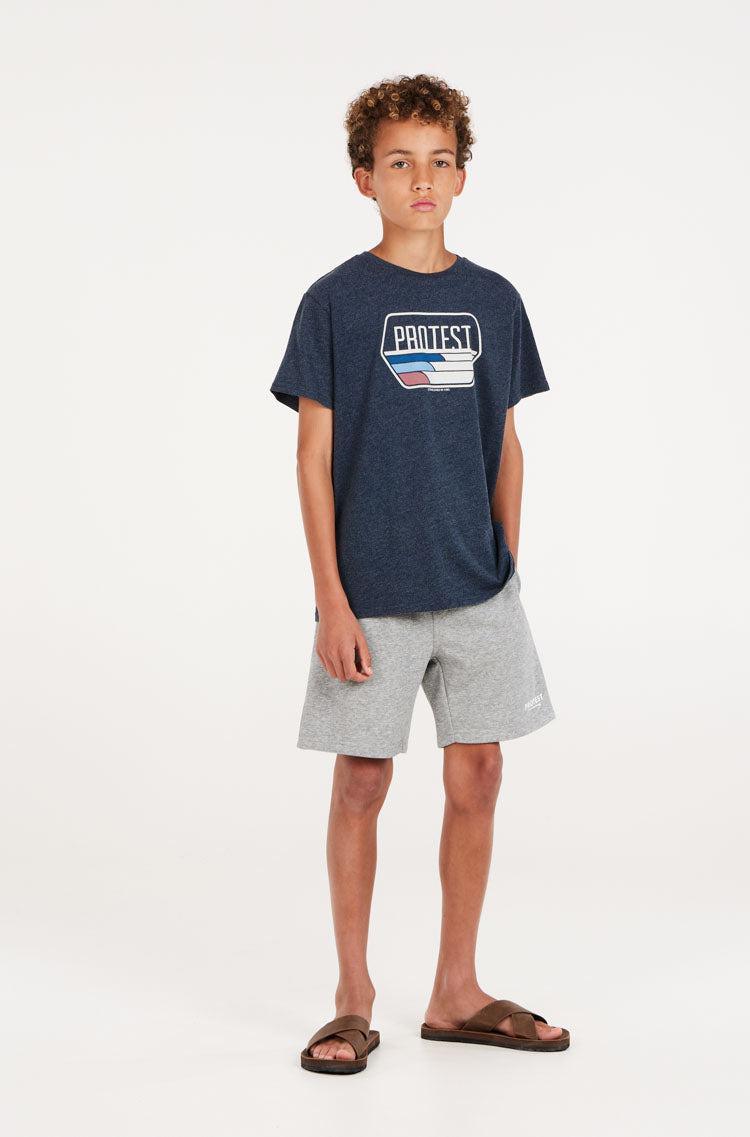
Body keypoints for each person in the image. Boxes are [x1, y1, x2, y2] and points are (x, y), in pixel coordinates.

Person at [269, 74, 569, 1074]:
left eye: (439, 160)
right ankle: (352, 998)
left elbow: (506, 441)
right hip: (371, 597)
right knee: (362, 780)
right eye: (399, 162)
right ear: (365, 178)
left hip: (477, 587)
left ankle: (454, 991)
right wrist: (331, 601)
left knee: (479, 772)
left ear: (463, 175)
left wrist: (505, 561)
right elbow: (312, 457)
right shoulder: (335, 303)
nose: (421, 178)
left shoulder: (493, 300)